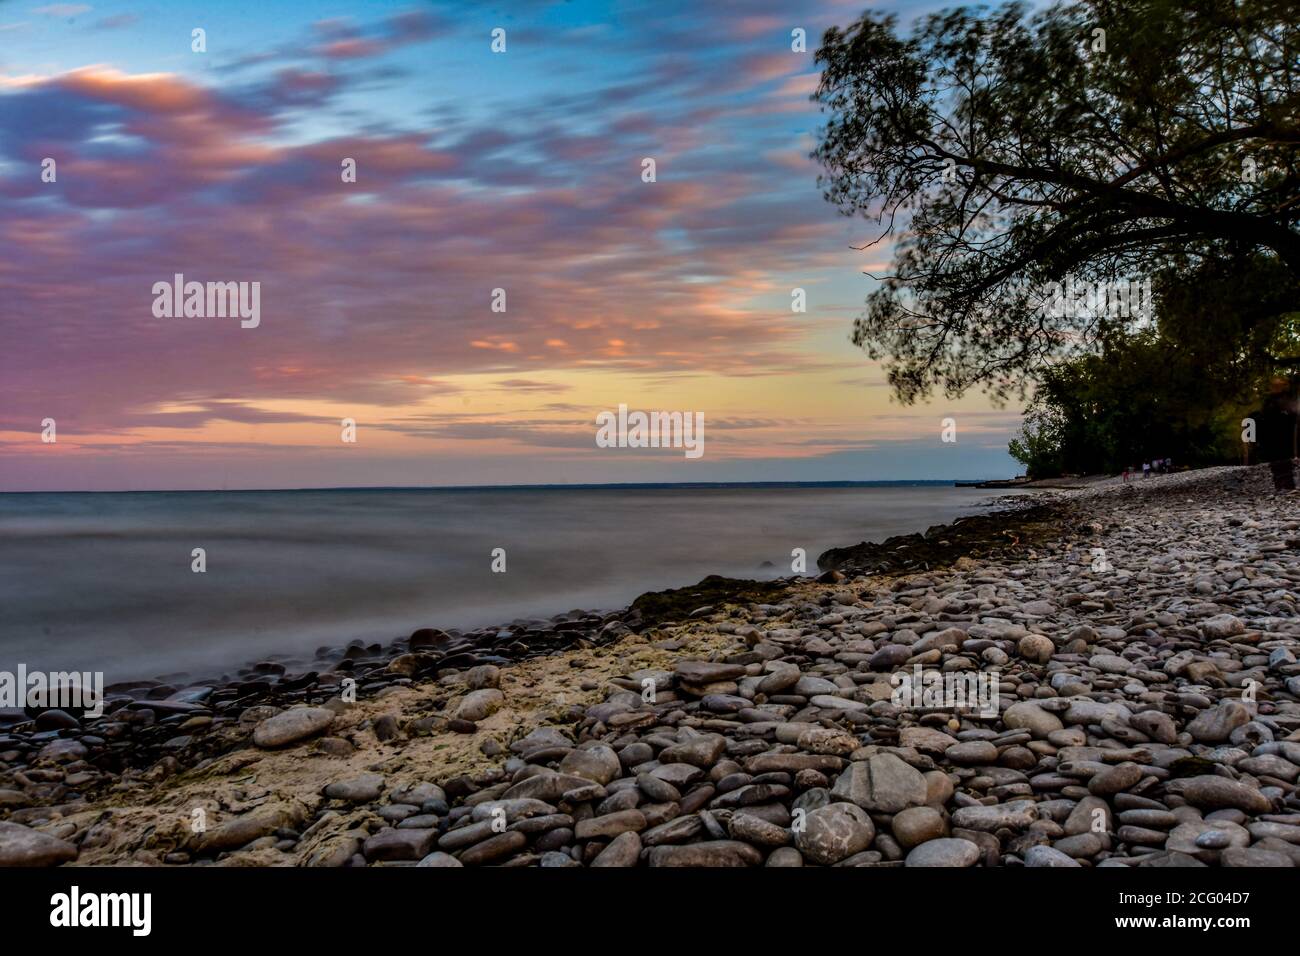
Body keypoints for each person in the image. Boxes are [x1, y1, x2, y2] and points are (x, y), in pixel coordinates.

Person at [1249, 378, 1299, 491]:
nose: (1276, 388)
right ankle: (1280, 485)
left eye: (1279, 386)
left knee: (1284, 462)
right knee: (1275, 462)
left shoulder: (1287, 398)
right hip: (1270, 437)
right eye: (1274, 386)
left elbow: (1293, 415)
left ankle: (1287, 486)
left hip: (1283, 436)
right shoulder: (1269, 400)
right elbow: (1264, 416)